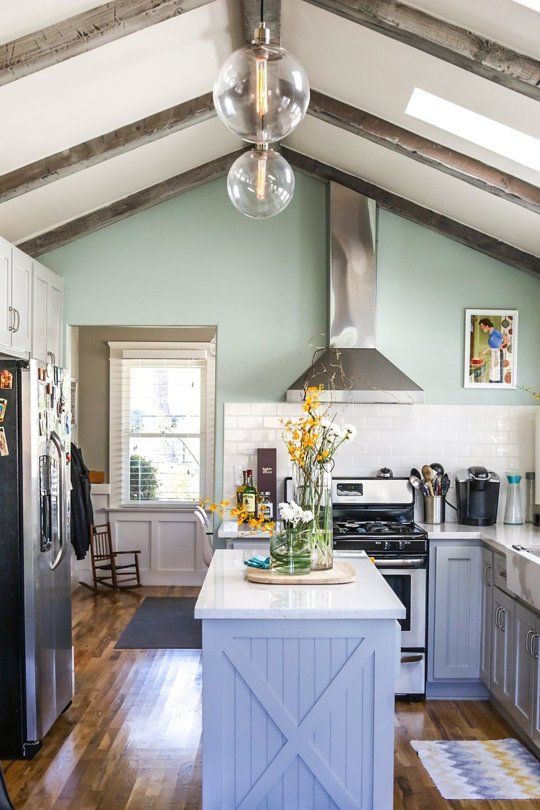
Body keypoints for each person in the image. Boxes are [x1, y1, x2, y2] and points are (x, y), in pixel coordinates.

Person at [479, 317, 503, 383]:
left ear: (487, 325)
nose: (482, 328)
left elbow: (506, 340)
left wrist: (499, 347)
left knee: (495, 373)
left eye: (482, 326)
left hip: (497, 354)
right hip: (493, 353)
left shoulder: (495, 332)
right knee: (492, 372)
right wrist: (487, 350)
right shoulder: (491, 333)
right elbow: (494, 344)